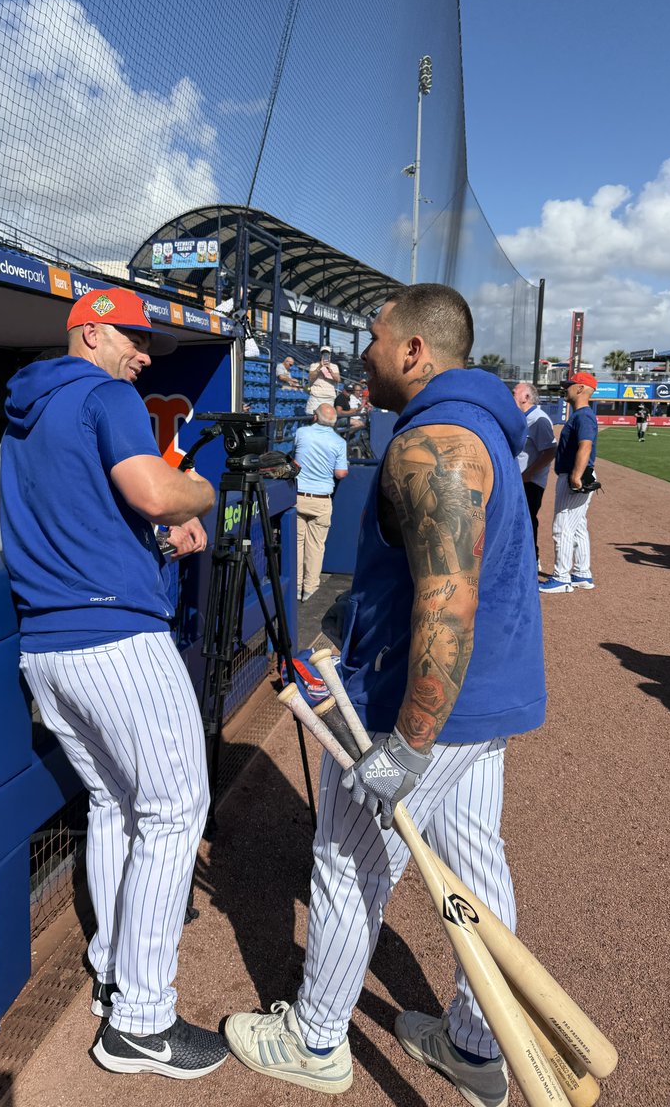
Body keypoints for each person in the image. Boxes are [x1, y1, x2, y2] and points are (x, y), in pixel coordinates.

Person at [224, 283, 545, 1107]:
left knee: (344, 860)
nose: (363, 351)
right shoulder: (479, 428)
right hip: (484, 706)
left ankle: (316, 1039)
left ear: (414, 351)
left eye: (373, 337)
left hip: (423, 709)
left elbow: (447, 597)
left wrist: (407, 739)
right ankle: (477, 1046)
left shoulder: (434, 437)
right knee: (475, 867)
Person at [0, 286, 228, 1079]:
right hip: (117, 644)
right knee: (174, 810)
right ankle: (140, 1023)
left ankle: (113, 970)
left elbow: (83, 528)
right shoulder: (103, 394)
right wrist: (199, 494)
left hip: (48, 649)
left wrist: (156, 545)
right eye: (131, 337)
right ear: (89, 332)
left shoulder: (22, 414)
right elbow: (156, 494)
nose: (142, 354)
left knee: (113, 804)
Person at [540, 371, 599, 594]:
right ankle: (582, 573)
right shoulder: (581, 415)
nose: (566, 388)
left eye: (570, 384)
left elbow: (585, 445)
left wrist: (575, 475)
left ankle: (561, 577)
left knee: (563, 527)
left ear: (581, 389)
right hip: (581, 474)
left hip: (576, 475)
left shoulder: (583, 416)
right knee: (578, 527)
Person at [291, 402, 348, 601]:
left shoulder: (302, 433)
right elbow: (340, 473)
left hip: (298, 497)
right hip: (321, 499)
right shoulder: (339, 442)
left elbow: (294, 459)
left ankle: (295, 588)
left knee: (297, 545)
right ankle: (310, 590)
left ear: (315, 417)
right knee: (315, 547)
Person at [512, 381, 557, 571]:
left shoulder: (539, 419)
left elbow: (550, 451)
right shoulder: (520, 417)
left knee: (527, 521)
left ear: (526, 397)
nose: (511, 394)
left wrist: (529, 474)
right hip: (519, 480)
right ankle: (519, 560)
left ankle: (533, 561)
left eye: (514, 392)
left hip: (530, 482)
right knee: (516, 521)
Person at [305, 344, 341, 414]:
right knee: (312, 417)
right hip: (316, 397)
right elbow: (310, 378)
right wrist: (319, 367)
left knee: (327, 420)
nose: (325, 355)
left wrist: (329, 369)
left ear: (330, 355)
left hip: (329, 397)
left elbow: (338, 379)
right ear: (321, 355)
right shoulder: (314, 365)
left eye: (327, 353)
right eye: (323, 353)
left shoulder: (334, 366)